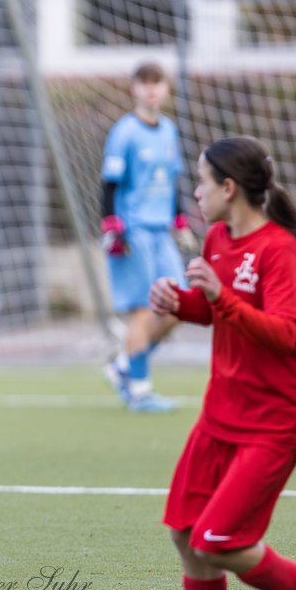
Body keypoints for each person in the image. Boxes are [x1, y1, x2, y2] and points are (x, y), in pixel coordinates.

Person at [147, 135, 296, 590]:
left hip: (275, 420)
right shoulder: (218, 238)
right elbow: (216, 310)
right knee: (184, 530)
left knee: (219, 540)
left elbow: (282, 334)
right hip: (222, 413)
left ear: (229, 187)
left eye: (202, 182)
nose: (196, 193)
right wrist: (182, 303)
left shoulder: (278, 251)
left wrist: (222, 296)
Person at [100, 61, 199, 413]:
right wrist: (112, 228)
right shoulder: (125, 132)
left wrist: (180, 221)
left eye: (157, 83)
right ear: (134, 89)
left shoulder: (169, 131)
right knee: (144, 311)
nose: (151, 90)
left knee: (178, 306)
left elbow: (171, 182)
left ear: (166, 89)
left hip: (161, 233)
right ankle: (139, 390)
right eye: (144, 83)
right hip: (133, 232)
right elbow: (109, 185)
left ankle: (123, 366)